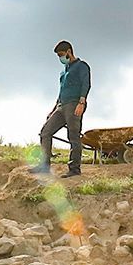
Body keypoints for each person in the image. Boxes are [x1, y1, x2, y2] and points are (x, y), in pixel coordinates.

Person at [39, 39, 90, 176]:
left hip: (74, 104)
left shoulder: (81, 66)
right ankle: (44, 166)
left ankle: (74, 169)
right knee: (45, 132)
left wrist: (82, 102)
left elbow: (86, 84)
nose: (60, 58)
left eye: (61, 54)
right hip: (61, 106)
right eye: (58, 56)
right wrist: (53, 109)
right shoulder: (63, 72)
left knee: (73, 136)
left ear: (69, 52)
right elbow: (61, 92)